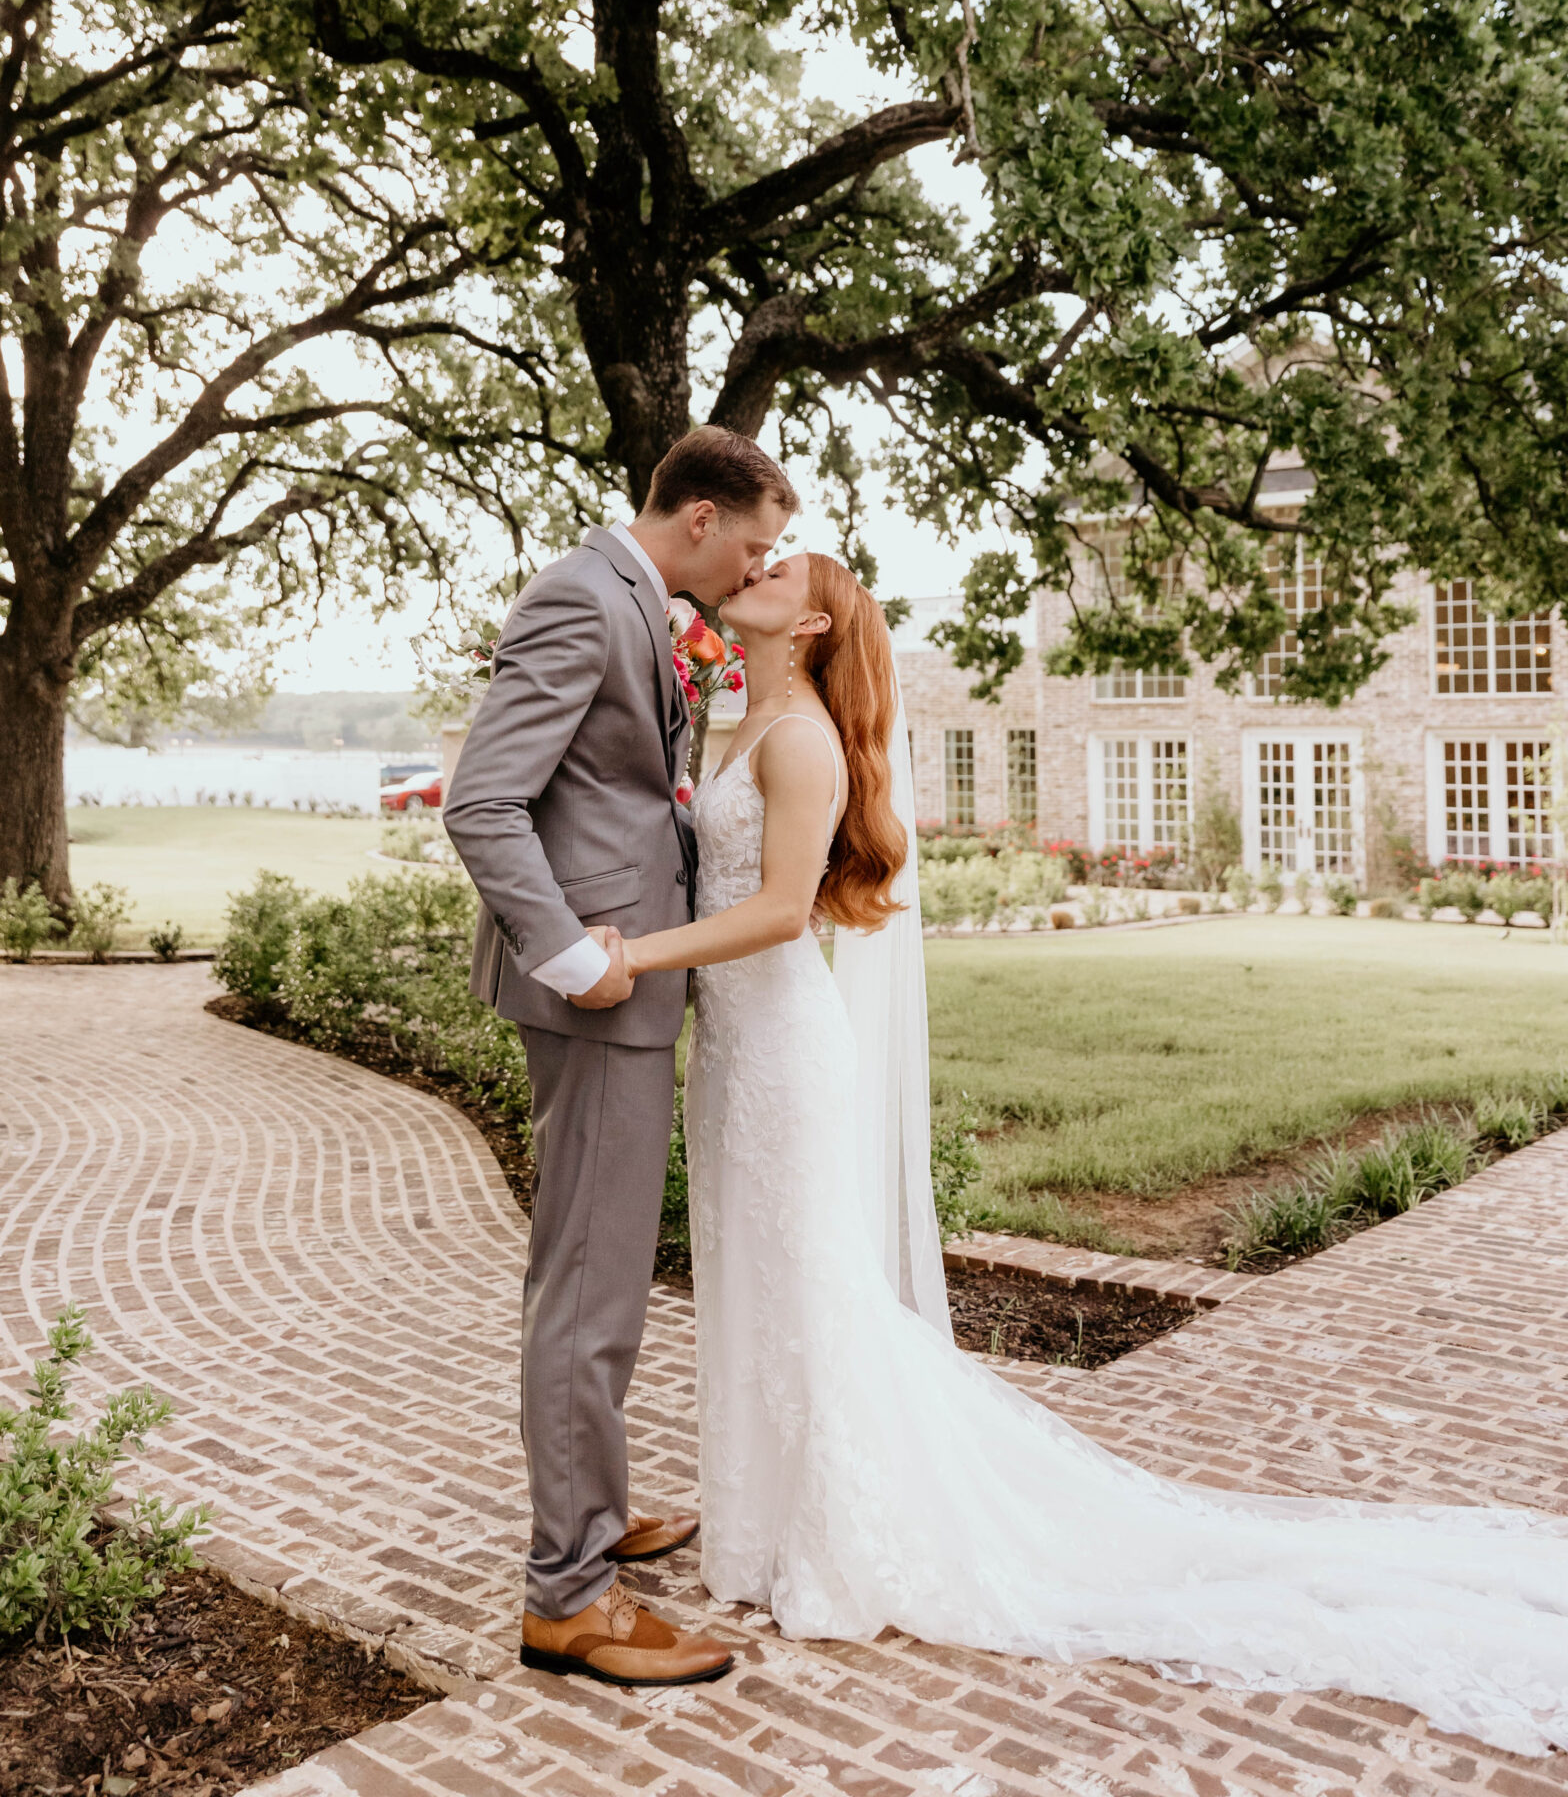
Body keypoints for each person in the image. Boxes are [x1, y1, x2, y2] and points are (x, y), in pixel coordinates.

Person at [605, 550, 1568, 1756]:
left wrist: (634, 959)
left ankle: (840, 1536)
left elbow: (782, 910)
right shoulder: (735, 721)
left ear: (807, 621)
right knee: (752, 1286)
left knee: (808, 1286)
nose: (751, 569)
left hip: (785, 1048)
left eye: (779, 568)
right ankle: (758, 1525)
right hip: (732, 1053)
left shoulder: (797, 742)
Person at [444, 426, 798, 1689]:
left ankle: (595, 1509)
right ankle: (570, 1597)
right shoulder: (578, 600)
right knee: (588, 1293)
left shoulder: (641, 601)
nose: (762, 565)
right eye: (753, 543)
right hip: (596, 992)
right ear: (698, 520)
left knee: (602, 1285)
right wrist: (568, 952)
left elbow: (628, 790)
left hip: (633, 979)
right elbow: (481, 799)